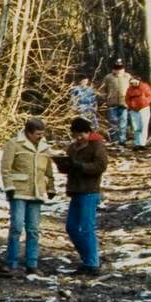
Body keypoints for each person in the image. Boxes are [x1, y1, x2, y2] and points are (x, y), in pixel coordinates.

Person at [0, 118, 57, 277]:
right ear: (28, 133)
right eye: (38, 134)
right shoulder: (14, 144)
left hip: (37, 193)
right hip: (18, 192)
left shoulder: (44, 147)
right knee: (16, 227)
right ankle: (11, 263)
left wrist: (51, 187)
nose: (40, 137)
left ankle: (32, 264)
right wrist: (9, 187)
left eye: (42, 134)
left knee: (33, 229)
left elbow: (48, 170)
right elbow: (6, 168)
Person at [53, 116, 108, 276]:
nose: (78, 138)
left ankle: (92, 263)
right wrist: (64, 165)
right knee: (71, 228)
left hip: (90, 191)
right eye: (75, 134)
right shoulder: (72, 148)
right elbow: (70, 166)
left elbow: (101, 166)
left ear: (88, 132)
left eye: (81, 134)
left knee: (86, 228)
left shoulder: (97, 145)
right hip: (75, 190)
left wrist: (81, 166)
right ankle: (88, 259)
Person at [100, 59, 132, 144]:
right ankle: (114, 139)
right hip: (112, 103)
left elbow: (132, 88)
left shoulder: (127, 76)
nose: (118, 70)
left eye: (120, 68)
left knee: (123, 122)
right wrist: (105, 99)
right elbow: (102, 89)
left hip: (124, 103)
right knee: (113, 122)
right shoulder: (108, 77)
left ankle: (122, 140)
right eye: (116, 68)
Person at [125, 76, 151, 148]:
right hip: (134, 110)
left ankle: (143, 144)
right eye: (131, 83)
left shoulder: (145, 87)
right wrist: (130, 105)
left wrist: (145, 102)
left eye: (135, 82)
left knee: (144, 126)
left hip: (144, 109)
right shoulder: (129, 89)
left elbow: (150, 96)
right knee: (136, 128)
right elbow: (127, 99)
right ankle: (137, 143)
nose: (133, 84)